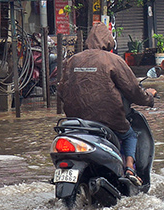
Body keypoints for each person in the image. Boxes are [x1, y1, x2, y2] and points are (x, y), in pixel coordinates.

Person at [58, 25, 157, 186]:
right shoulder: (113, 60)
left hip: (77, 123)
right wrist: (149, 98)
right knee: (129, 135)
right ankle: (130, 168)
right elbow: (133, 89)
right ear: (109, 40)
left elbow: (61, 90)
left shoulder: (73, 60)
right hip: (109, 120)